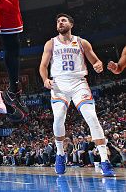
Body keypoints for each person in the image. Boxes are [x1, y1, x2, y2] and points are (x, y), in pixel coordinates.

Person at [39, 13, 115, 177]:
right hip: (59, 84)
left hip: (79, 83)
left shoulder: (82, 42)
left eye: (63, 20)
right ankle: (60, 154)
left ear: (71, 24)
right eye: (58, 21)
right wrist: (45, 79)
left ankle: (104, 160)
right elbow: (43, 65)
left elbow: (95, 61)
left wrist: (98, 65)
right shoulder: (51, 43)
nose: (60, 23)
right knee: (58, 117)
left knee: (92, 118)